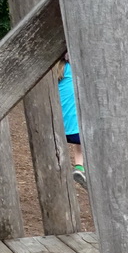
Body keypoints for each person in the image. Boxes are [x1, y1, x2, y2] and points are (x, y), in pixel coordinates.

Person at [56, 56, 86, 189]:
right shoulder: (74, 69)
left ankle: (79, 168)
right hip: (75, 133)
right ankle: (80, 167)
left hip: (58, 128)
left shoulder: (58, 72)